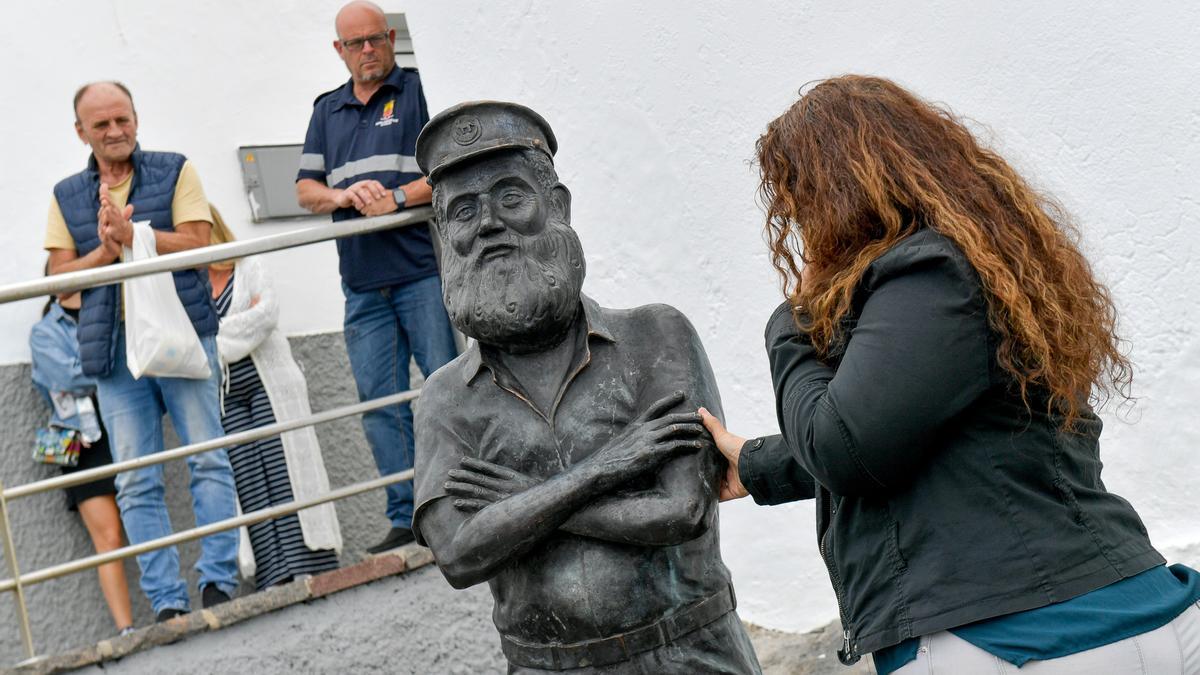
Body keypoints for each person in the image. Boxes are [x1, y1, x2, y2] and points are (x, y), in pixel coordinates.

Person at [698, 75, 1200, 673]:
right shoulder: (982, 273)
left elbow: (845, 447)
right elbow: (926, 439)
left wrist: (795, 321)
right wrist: (754, 466)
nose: (798, 224)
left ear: (836, 192)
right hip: (1126, 617)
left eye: (796, 198)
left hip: (1015, 643)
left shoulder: (930, 273)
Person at [410, 101, 761, 673]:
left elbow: (682, 509)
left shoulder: (656, 335)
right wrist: (605, 470)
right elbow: (458, 553)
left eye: (510, 196)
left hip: (690, 655)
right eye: (465, 211)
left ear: (559, 206)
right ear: (445, 234)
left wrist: (520, 502)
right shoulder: (446, 398)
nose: (489, 224)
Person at [45, 81, 240, 621]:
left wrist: (137, 234)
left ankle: (219, 583)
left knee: (207, 457)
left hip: (184, 334)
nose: (115, 132)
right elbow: (60, 282)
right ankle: (167, 604)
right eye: (101, 124)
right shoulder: (65, 195)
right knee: (135, 478)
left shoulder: (175, 168)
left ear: (136, 118)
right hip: (111, 352)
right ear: (80, 132)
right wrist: (105, 252)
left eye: (123, 119)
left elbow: (202, 244)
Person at [295, 0, 457, 554]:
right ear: (338, 51)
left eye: (375, 39)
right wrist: (342, 196)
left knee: (448, 385)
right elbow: (305, 189)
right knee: (378, 404)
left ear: (390, 38)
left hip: (419, 271)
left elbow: (445, 171)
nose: (368, 50)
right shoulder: (327, 110)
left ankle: (466, 499)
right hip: (362, 285)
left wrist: (393, 197)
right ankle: (405, 515)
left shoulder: (417, 91)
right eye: (355, 43)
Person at [207, 206, 342, 590]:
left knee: (286, 470)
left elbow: (266, 314)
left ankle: (310, 562)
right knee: (248, 478)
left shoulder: (248, 264)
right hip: (226, 395)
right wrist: (232, 331)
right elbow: (192, 339)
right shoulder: (190, 282)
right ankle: (273, 572)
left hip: (272, 385)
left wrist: (215, 339)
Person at [30, 285, 134, 636]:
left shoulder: (108, 315)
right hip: (81, 441)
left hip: (123, 423)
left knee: (143, 514)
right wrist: (113, 365)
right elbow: (68, 377)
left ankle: (169, 608)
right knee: (108, 537)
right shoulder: (44, 331)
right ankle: (126, 630)